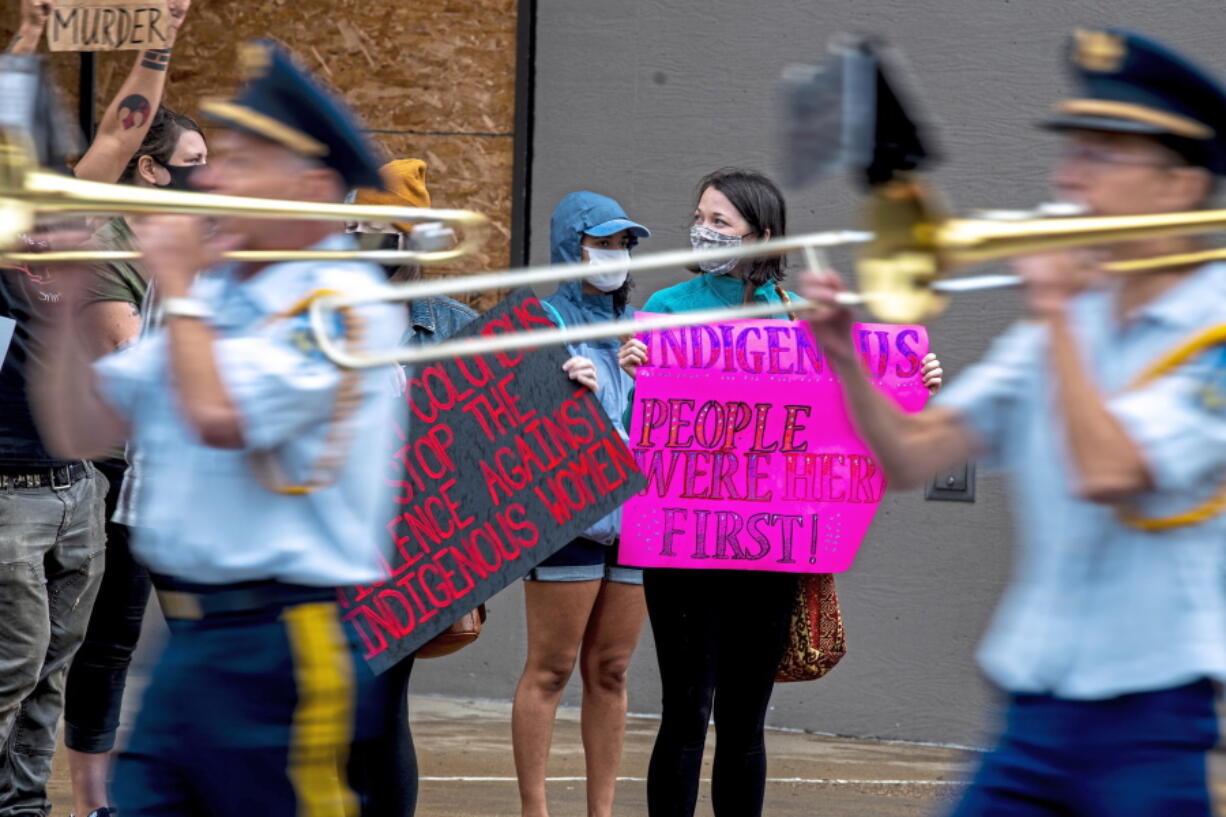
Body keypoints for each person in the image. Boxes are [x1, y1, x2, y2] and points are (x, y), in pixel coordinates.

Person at [799, 28, 1226, 817]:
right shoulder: (1060, 323)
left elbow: (1109, 470)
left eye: (1100, 155)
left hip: (1150, 723)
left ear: (1178, 183)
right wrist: (844, 358)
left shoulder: (1213, 330)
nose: (1067, 177)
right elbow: (910, 455)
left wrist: (1060, 312)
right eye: (1073, 151)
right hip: (1031, 710)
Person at [31, 40, 407, 816]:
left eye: (241, 161)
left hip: (285, 646)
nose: (214, 179)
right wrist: (66, 299)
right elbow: (79, 424)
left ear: (310, 185)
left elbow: (219, 419)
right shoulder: (222, 291)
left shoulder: (337, 304)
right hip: (192, 645)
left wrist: (178, 284)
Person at [617, 168, 941, 817]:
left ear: (762, 234)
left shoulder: (804, 318)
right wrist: (633, 375)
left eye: (720, 222)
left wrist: (911, 381)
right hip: (684, 542)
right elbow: (638, 427)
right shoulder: (668, 309)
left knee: (744, 719)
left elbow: (852, 411)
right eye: (701, 217)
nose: (703, 231)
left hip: (770, 545)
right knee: (686, 711)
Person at [63, 106, 207, 817]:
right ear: (151, 169)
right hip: (120, 467)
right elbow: (129, 362)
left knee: (208, 640)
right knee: (111, 639)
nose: (205, 178)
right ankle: (95, 802)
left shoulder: (203, 245)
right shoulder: (106, 248)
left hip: (194, 469)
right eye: (192, 163)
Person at [347, 157, 480, 817]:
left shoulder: (455, 327)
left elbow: (487, 456)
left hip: (410, 556)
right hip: (330, 544)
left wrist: (470, 579)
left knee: (379, 707)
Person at [511, 191, 650, 817]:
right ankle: (535, 810)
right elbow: (503, 423)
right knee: (551, 667)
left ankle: (602, 811)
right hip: (566, 515)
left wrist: (651, 381)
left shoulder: (639, 325)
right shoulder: (539, 321)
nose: (615, 255)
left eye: (624, 244)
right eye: (603, 242)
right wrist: (559, 390)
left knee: (613, 669)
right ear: (573, 246)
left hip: (637, 519)